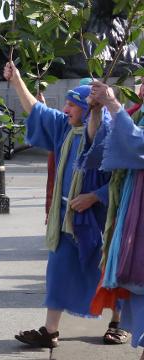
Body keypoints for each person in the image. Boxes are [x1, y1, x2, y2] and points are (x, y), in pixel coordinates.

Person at [4, 61, 113, 348]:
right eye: (65, 104)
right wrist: (16, 80)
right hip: (65, 219)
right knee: (58, 271)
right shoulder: (66, 127)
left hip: (99, 220)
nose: (66, 110)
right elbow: (36, 111)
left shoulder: (107, 134)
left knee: (108, 274)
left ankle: (117, 323)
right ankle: (50, 331)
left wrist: (93, 197)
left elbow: (121, 182)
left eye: (72, 105)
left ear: (88, 109)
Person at [81, 81, 144, 354]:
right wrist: (97, 110)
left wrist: (112, 104)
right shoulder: (138, 112)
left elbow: (136, 144)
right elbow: (105, 144)